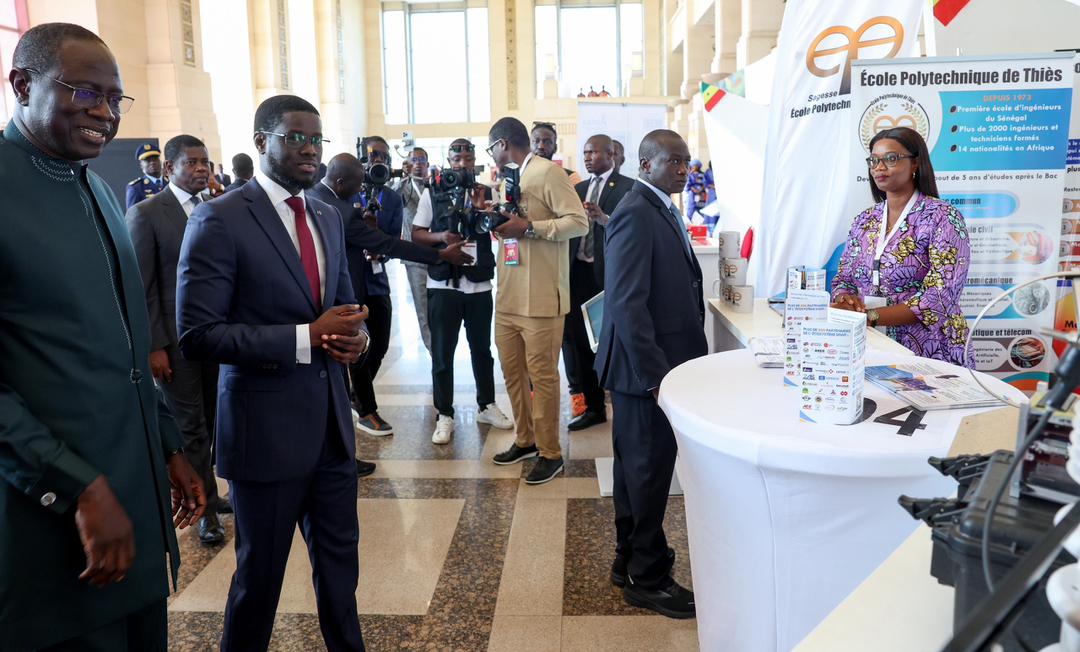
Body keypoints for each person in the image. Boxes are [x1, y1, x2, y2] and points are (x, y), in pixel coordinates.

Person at [0, 23, 205, 651]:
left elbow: (126, 340)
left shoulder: (95, 187)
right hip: (52, 517)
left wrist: (168, 444)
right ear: (22, 85)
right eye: (86, 93)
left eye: (116, 99)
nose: (105, 113)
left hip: (132, 501)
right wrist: (77, 485)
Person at [176, 94, 370, 651]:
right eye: (295, 138)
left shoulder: (327, 215)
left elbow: (345, 308)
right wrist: (305, 336)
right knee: (258, 581)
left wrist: (357, 340)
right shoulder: (220, 218)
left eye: (316, 140)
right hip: (265, 435)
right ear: (262, 141)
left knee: (341, 579)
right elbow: (198, 334)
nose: (310, 150)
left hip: (331, 432)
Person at [594, 129, 706, 619]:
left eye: (687, 162)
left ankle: (628, 560)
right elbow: (626, 304)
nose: (683, 170)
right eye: (673, 162)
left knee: (635, 473)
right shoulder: (636, 212)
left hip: (650, 369)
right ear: (646, 164)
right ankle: (648, 577)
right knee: (647, 476)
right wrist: (657, 379)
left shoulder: (657, 207)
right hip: (646, 372)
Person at [310, 152, 473, 462]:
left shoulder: (320, 196)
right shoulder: (337, 210)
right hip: (339, 295)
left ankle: (353, 409)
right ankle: (361, 416)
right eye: (357, 184)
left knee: (372, 347)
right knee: (351, 356)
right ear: (341, 182)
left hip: (361, 286)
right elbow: (387, 243)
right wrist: (440, 255)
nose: (362, 190)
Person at [126, 134, 225, 545]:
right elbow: (141, 285)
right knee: (190, 426)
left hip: (217, 336)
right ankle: (205, 510)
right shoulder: (147, 213)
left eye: (206, 163)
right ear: (169, 168)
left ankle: (212, 491)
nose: (201, 169)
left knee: (214, 419)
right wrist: (153, 345)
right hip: (174, 342)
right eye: (192, 162)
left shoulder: (216, 208)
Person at [486, 117, 589, 484]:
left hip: (542, 296)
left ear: (502, 144)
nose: (492, 155)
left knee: (542, 376)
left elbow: (578, 222)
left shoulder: (549, 173)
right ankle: (525, 440)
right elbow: (513, 225)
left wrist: (529, 227)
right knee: (512, 373)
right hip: (508, 294)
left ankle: (550, 452)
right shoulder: (508, 179)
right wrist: (496, 220)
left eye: (491, 148)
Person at [831, 126, 972, 366]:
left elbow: (939, 296)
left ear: (915, 163)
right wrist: (846, 301)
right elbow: (844, 278)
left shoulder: (942, 216)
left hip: (929, 348)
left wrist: (869, 316)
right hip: (871, 343)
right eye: (874, 160)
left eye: (891, 158)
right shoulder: (865, 220)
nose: (879, 167)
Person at [411, 138, 515, 444]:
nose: (462, 165)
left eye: (468, 159)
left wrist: (483, 211)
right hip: (443, 284)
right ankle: (444, 414)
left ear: (474, 161)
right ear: (449, 161)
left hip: (478, 284)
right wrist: (442, 237)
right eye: (457, 160)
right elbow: (416, 234)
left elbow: (500, 230)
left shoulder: (488, 191)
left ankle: (487, 405)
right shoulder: (433, 193)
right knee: (442, 353)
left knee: (482, 350)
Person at [565, 134, 634, 430]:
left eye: (593, 152)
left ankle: (622, 402)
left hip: (609, 275)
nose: (588, 157)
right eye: (585, 153)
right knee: (580, 341)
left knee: (612, 341)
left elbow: (632, 228)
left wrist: (605, 218)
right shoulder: (578, 189)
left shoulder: (629, 187)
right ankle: (593, 407)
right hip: (577, 273)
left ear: (611, 154)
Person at [348, 135, 402, 437]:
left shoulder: (392, 199)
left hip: (378, 280)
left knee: (379, 345)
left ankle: (356, 395)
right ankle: (367, 410)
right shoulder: (346, 192)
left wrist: (379, 244)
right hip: (352, 281)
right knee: (358, 346)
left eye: (383, 155)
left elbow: (394, 240)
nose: (377, 160)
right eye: (372, 155)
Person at [397, 147, 434, 352]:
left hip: (439, 254)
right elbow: (389, 198)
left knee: (440, 309)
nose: (418, 163)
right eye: (414, 160)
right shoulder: (403, 187)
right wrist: (403, 177)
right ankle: (433, 352)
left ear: (427, 163)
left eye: (421, 160)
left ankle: (442, 351)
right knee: (423, 309)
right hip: (414, 258)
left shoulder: (435, 185)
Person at [530, 121, 583, 186]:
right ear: (529, 146)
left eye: (547, 142)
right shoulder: (521, 174)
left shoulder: (571, 177)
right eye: (536, 141)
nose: (540, 146)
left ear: (555, 148)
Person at [126, 141, 165, 208]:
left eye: (155, 159)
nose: (152, 162)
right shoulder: (136, 187)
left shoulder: (171, 182)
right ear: (141, 165)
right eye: (148, 160)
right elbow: (132, 213)